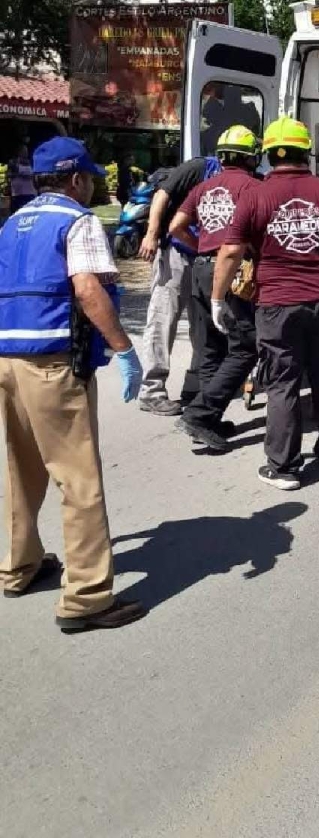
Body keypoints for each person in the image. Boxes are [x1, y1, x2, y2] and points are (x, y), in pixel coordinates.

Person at [0, 137, 146, 632]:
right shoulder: (76, 221)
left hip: (7, 361)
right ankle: (86, 598)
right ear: (77, 179)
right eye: (90, 179)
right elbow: (88, 290)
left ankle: (20, 567)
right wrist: (125, 350)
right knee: (78, 480)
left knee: (23, 469)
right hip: (52, 365)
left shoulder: (12, 224)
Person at [212, 117, 319, 489]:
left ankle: (283, 467)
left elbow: (231, 251)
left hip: (277, 303)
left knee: (283, 380)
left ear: (268, 154)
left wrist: (218, 298)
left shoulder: (254, 195)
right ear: (307, 152)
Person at [168, 126, 261, 453]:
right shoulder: (253, 187)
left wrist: (202, 249)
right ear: (253, 156)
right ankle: (200, 415)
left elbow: (175, 227)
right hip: (231, 271)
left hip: (201, 269)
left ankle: (210, 418)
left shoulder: (203, 187)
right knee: (246, 345)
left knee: (209, 346)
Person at [136, 152, 221, 415]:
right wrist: (151, 235)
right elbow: (162, 195)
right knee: (163, 319)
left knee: (202, 324)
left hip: (205, 259)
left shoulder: (245, 177)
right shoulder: (199, 167)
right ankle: (151, 390)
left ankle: (194, 386)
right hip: (176, 251)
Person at [7, 144, 35, 214]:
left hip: (28, 193)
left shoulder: (30, 162)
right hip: (16, 193)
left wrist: (18, 171)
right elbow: (9, 175)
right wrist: (19, 173)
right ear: (19, 152)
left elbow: (31, 174)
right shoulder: (13, 162)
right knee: (15, 213)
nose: (26, 152)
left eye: (26, 150)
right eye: (24, 150)